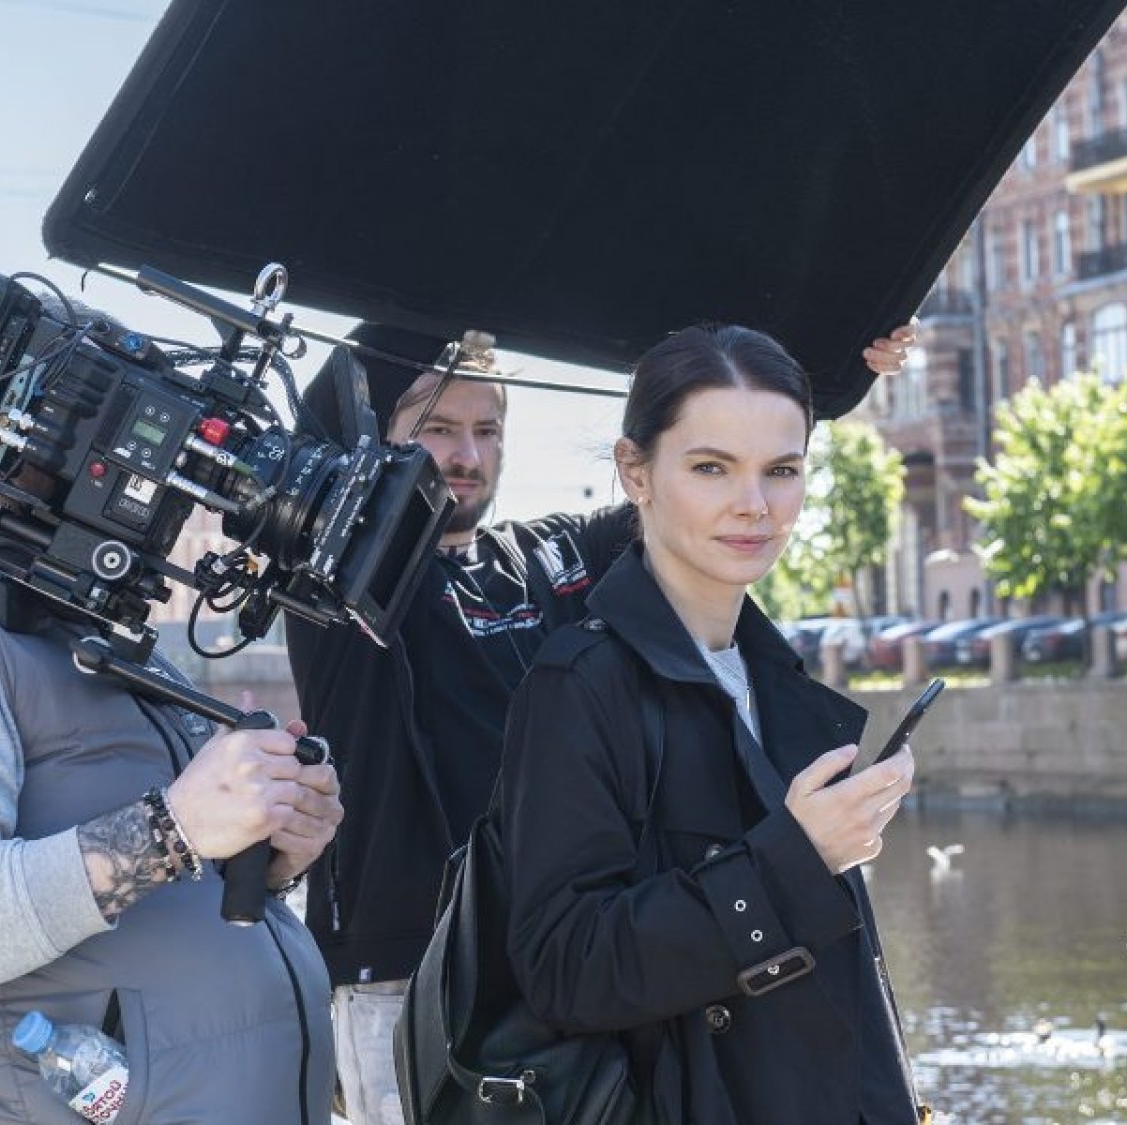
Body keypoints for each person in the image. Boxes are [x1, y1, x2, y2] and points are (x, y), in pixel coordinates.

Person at [287, 320, 917, 1123]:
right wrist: (448, 294)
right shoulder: (345, 574)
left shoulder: (546, 561)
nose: (466, 453)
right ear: (378, 434)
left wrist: (829, 353)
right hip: (407, 968)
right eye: (437, 427)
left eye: (487, 428)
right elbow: (318, 432)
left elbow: (706, 472)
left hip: (570, 979)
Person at [0, 347, 346, 1121]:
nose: (161, 490)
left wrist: (266, 850)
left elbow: (164, 882)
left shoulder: (78, 618)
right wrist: (170, 830)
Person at [498, 323, 923, 1122]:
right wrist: (796, 858)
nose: (754, 505)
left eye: (781, 470)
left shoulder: (772, 671)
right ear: (636, 472)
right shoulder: (580, 684)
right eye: (710, 467)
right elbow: (564, 968)